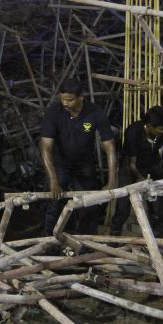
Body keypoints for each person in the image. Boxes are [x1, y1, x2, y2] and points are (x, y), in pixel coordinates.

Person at [40, 79, 117, 236]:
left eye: (69, 100)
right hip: (60, 164)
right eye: (62, 99)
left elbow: (110, 148)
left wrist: (111, 181)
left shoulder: (95, 113)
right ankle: (49, 241)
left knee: (88, 205)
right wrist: (53, 179)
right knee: (54, 203)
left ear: (81, 97)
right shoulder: (53, 112)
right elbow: (46, 147)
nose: (65, 103)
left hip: (84, 165)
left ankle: (86, 242)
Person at [110, 107, 163, 237]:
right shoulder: (133, 132)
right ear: (149, 126)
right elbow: (132, 164)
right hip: (131, 166)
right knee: (124, 199)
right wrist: (141, 180)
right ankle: (115, 232)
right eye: (161, 129)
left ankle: (161, 228)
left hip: (152, 162)